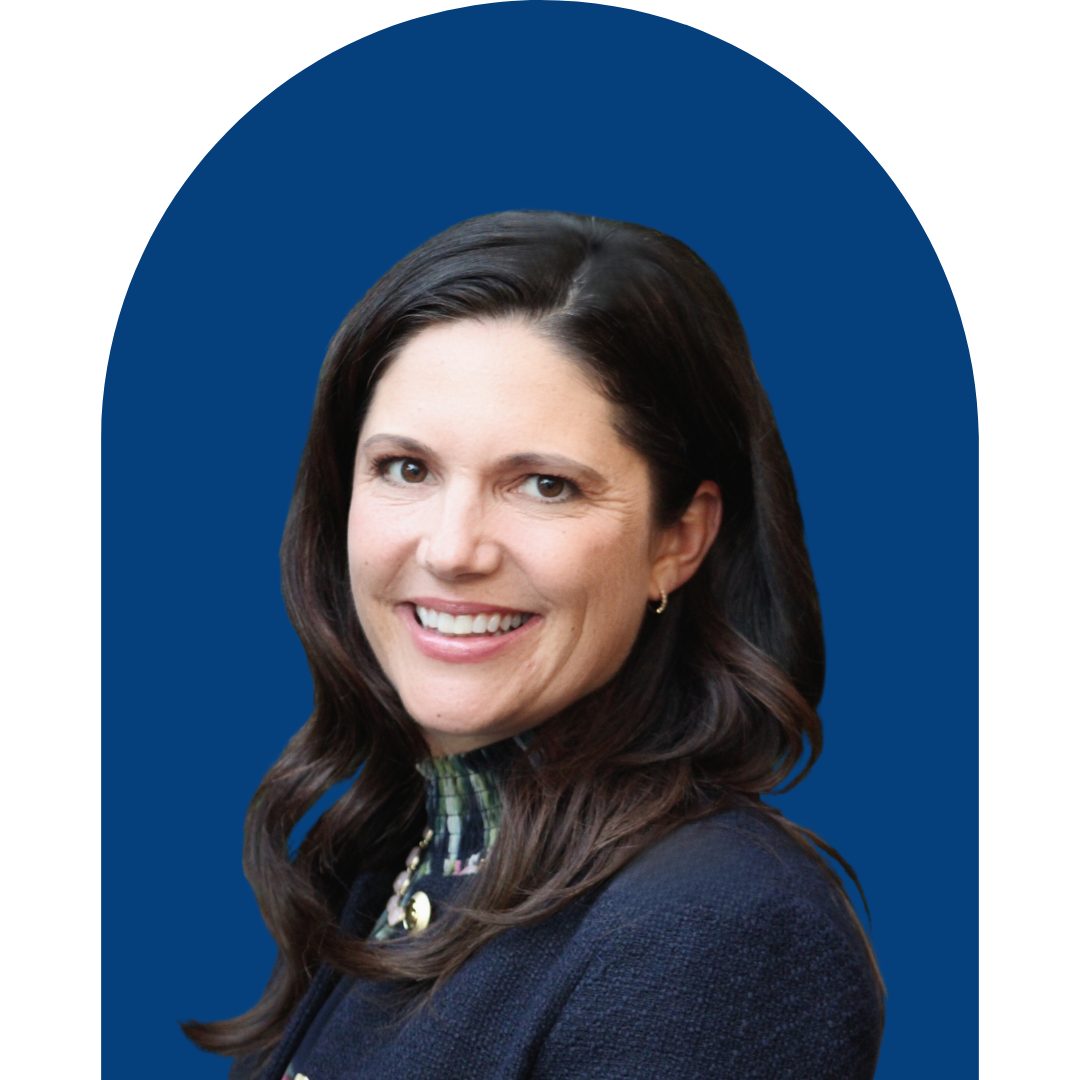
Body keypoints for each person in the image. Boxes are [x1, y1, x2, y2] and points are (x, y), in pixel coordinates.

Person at [183, 210, 885, 1079]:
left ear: (680, 539)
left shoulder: (714, 925)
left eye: (545, 485)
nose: (451, 549)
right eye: (407, 469)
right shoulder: (392, 856)